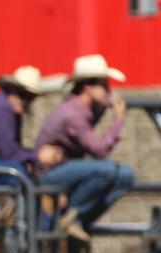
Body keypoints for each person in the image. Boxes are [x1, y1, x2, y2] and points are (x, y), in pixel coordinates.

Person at [35, 54, 135, 242]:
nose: (109, 91)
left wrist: (104, 106)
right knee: (108, 170)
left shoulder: (81, 109)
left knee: (126, 175)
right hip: (50, 172)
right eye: (104, 86)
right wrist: (118, 121)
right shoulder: (73, 114)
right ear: (88, 88)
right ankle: (73, 215)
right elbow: (100, 151)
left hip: (64, 167)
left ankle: (78, 219)